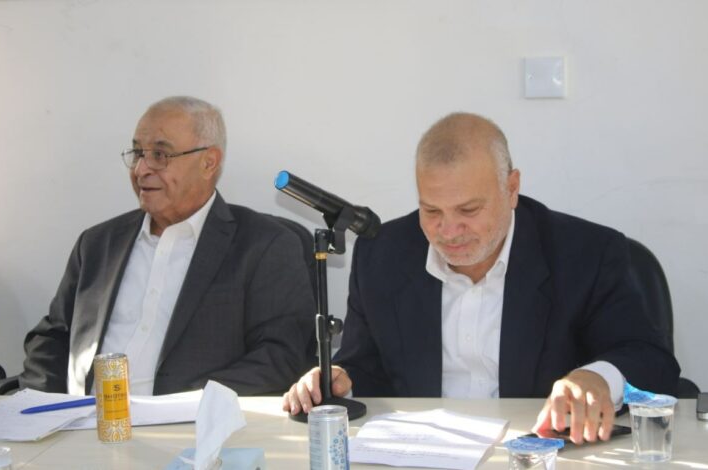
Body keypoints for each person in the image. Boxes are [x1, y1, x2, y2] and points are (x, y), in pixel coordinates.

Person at [282, 112, 680, 444]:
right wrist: (339, 379)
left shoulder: (586, 253)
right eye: (431, 211)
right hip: (424, 453)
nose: (448, 231)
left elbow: (652, 360)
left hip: (537, 452)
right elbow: (366, 365)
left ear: (512, 188)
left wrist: (595, 378)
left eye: (468, 210)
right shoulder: (382, 254)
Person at [20, 96, 315, 396]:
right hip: (82, 418)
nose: (141, 169)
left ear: (209, 162)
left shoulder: (264, 246)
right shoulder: (97, 244)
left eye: (160, 155)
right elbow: (52, 338)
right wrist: (41, 404)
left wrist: (185, 406)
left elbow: (279, 357)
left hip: (191, 420)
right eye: (138, 153)